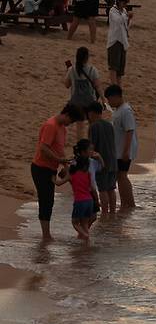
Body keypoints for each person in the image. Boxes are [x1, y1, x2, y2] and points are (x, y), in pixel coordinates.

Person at [31, 104, 85, 242]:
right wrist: (59, 159)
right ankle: (46, 235)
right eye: (71, 121)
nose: (70, 124)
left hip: (51, 168)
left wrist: (67, 169)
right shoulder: (51, 126)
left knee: (49, 201)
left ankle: (46, 234)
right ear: (66, 114)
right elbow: (43, 148)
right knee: (46, 200)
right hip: (40, 167)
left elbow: (60, 150)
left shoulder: (62, 129)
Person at [56, 140, 101, 242]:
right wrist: (97, 200)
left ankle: (84, 235)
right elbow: (93, 188)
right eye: (90, 149)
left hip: (80, 200)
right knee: (86, 221)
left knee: (75, 222)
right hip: (89, 198)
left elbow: (60, 181)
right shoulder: (87, 173)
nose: (92, 152)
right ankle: (86, 241)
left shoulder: (73, 174)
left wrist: (53, 178)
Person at [105, 85, 138, 209]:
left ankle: (130, 204)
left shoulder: (126, 110)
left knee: (122, 176)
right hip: (119, 149)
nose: (109, 102)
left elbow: (130, 131)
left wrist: (126, 151)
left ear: (116, 97)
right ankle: (125, 203)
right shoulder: (118, 110)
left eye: (110, 99)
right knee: (120, 176)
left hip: (124, 150)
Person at [64, 47, 102, 140]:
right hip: (90, 101)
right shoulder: (92, 70)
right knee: (92, 125)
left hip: (77, 102)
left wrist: (68, 71)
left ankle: (81, 147)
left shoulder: (72, 70)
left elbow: (67, 85)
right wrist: (103, 98)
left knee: (80, 127)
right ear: (87, 57)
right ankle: (91, 145)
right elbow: (98, 86)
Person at [87, 102, 118, 214]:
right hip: (113, 161)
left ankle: (104, 214)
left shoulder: (94, 126)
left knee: (103, 189)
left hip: (101, 162)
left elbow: (91, 147)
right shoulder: (109, 125)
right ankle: (113, 213)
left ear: (91, 113)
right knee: (111, 188)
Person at [107, 0, 133, 86]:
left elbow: (126, 26)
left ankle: (119, 85)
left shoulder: (124, 11)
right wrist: (126, 16)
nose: (125, 5)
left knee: (120, 69)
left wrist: (129, 19)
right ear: (119, 1)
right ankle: (114, 85)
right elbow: (117, 21)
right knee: (113, 67)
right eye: (124, 3)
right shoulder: (112, 11)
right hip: (114, 41)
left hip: (123, 42)